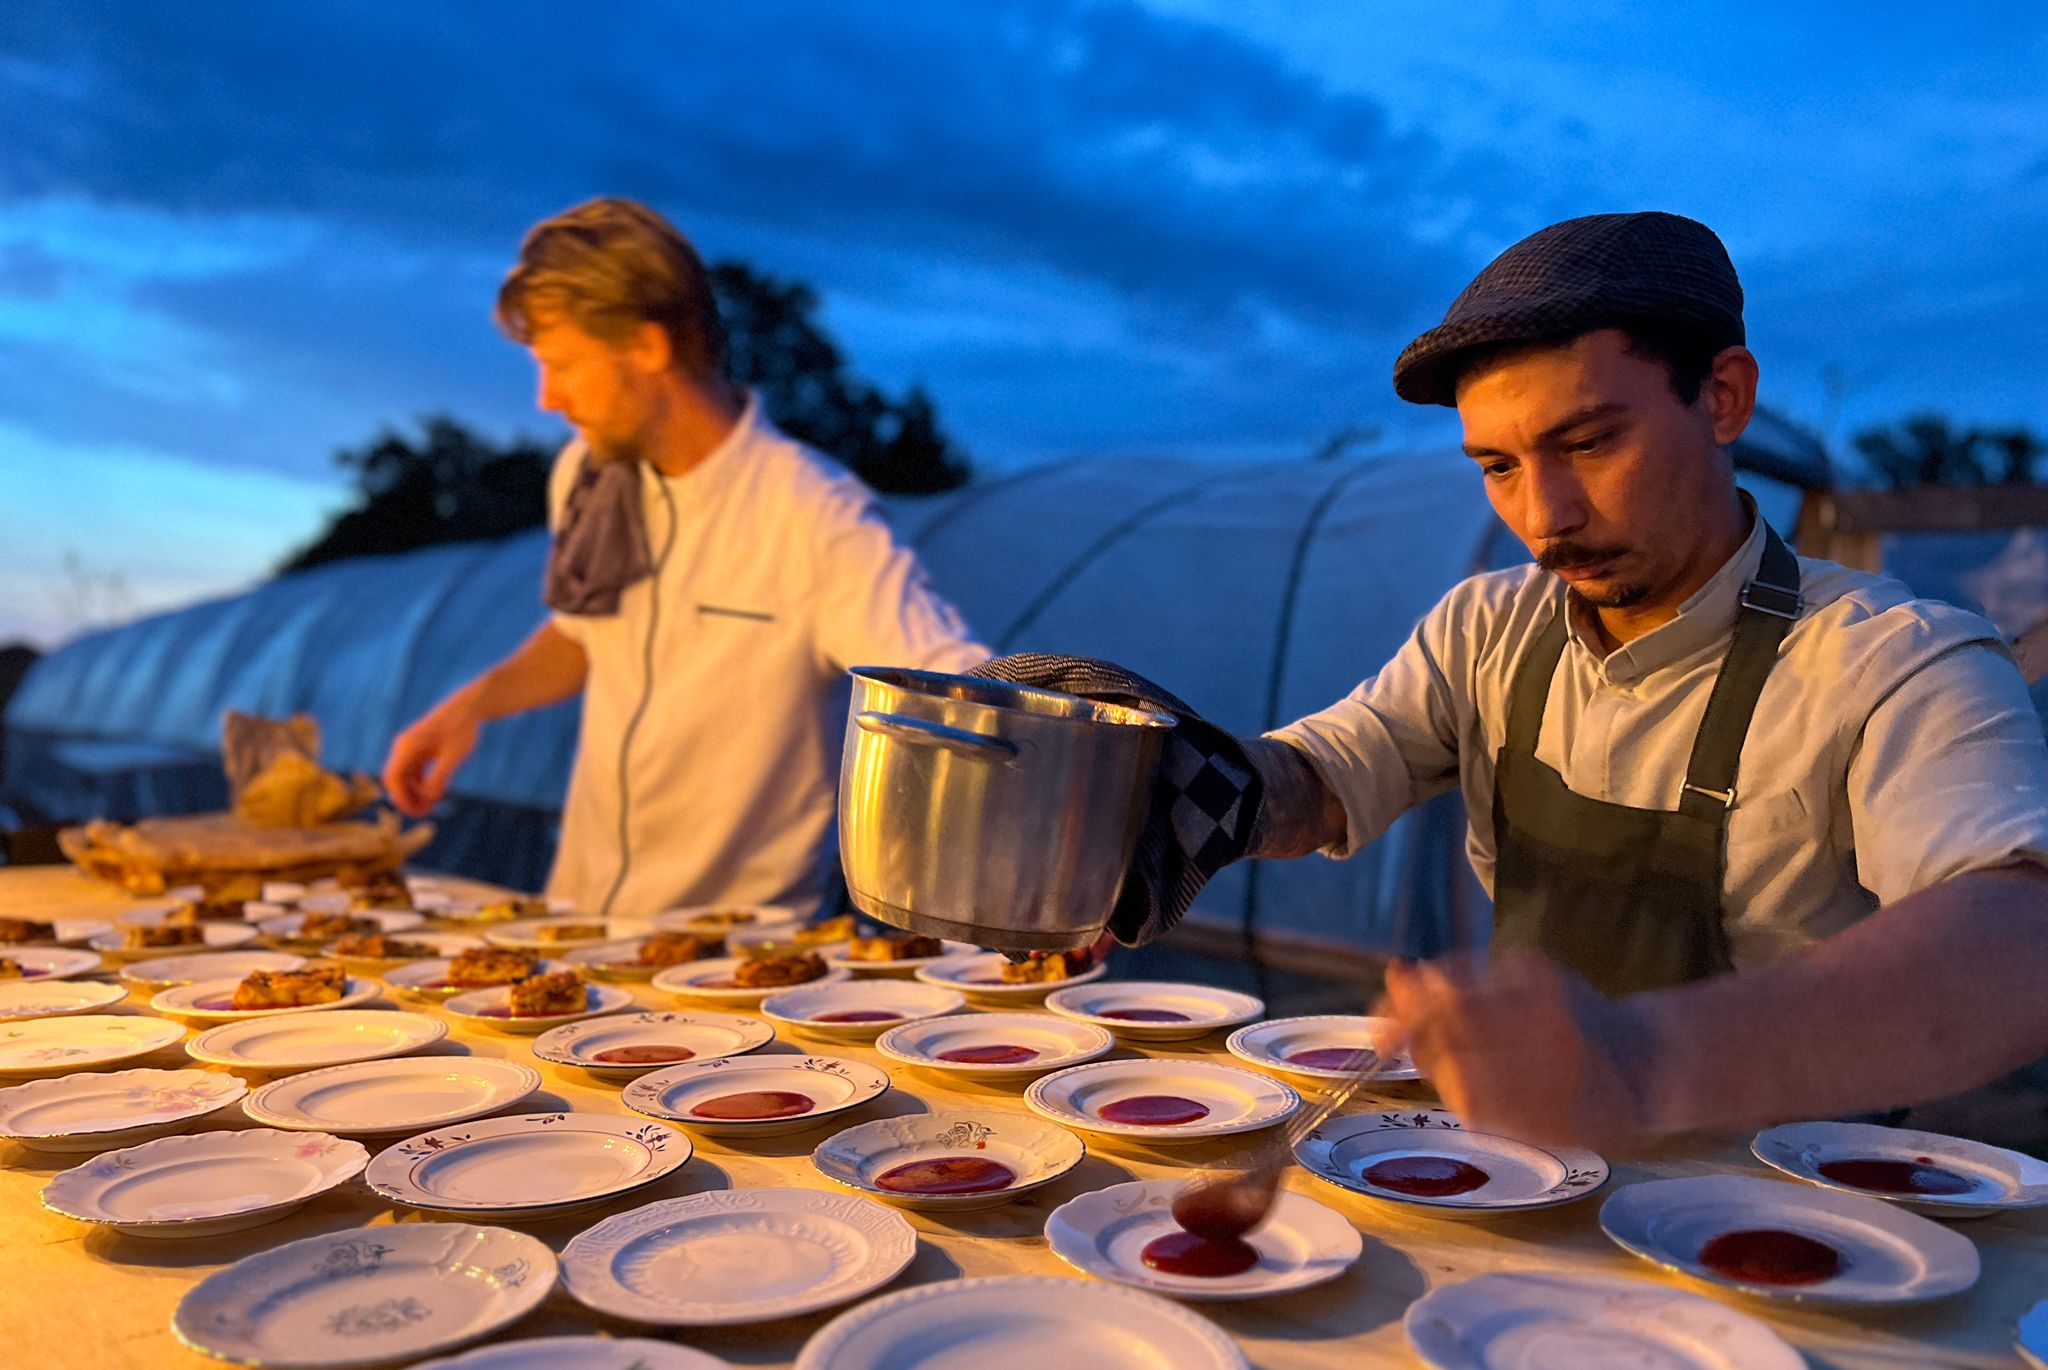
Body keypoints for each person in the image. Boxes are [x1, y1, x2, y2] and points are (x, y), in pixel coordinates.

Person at [988, 212, 2048, 1150]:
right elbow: (1329, 772)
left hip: (1795, 1227)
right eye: (1496, 466)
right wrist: (1199, 788)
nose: (1544, 517)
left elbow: (2015, 941)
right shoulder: (1484, 630)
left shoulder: (1891, 658)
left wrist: (1635, 1061)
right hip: (1536, 1182)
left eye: (1586, 443)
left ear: (1721, 397)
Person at [382, 198, 987, 915]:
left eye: (563, 364)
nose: (546, 399)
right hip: (580, 925)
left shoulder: (809, 511)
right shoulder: (587, 476)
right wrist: (469, 708)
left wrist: (1081, 830)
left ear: (647, 345)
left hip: (733, 963)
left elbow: (946, 680)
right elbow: (585, 634)